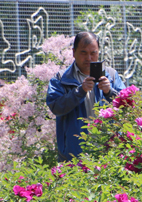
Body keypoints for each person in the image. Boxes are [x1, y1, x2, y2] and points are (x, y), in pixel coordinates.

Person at [47, 31, 126, 161]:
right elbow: (56, 107)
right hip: (74, 155)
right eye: (83, 52)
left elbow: (127, 106)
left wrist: (109, 92)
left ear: (98, 52)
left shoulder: (111, 75)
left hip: (108, 151)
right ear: (74, 52)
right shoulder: (61, 79)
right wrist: (80, 91)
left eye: (93, 53)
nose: (89, 58)